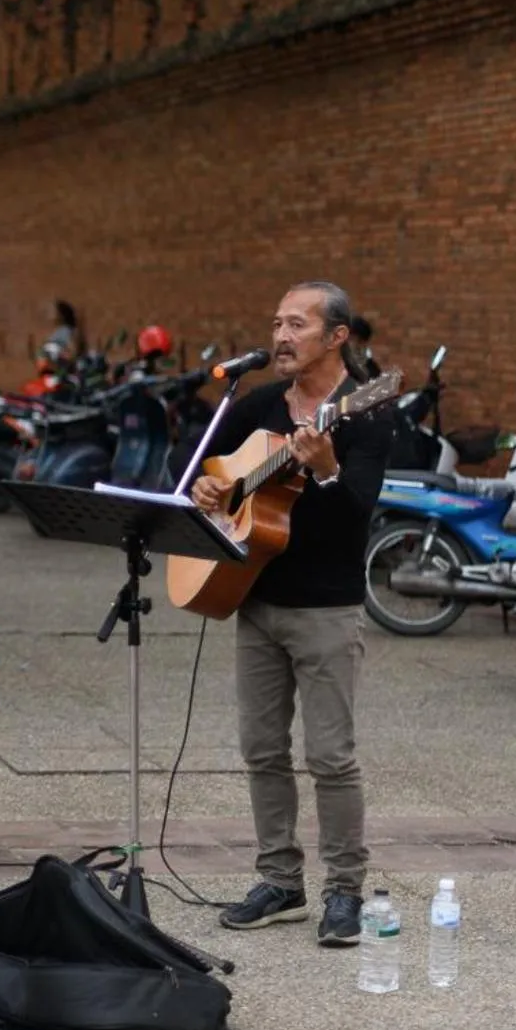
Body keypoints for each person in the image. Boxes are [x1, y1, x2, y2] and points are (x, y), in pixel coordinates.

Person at [187, 281, 394, 949]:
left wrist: (327, 472)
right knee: (261, 750)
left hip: (327, 608)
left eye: (296, 324)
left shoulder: (366, 412)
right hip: (256, 598)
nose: (280, 335)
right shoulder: (258, 405)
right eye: (276, 322)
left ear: (336, 337)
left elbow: (357, 510)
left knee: (331, 756)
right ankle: (280, 880)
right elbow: (191, 459)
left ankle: (344, 890)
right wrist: (210, 485)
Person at [47, 300, 82, 365]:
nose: (51, 314)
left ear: (61, 316)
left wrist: (59, 356)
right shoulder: (60, 331)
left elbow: (73, 352)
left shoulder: (65, 331)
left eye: (54, 312)